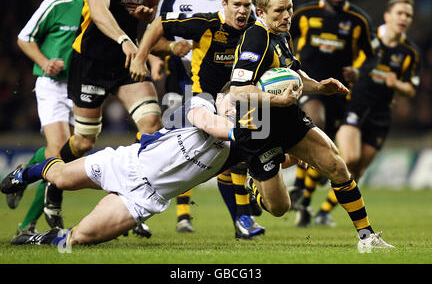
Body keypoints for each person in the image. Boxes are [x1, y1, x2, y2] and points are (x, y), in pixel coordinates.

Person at [1, 84, 284, 246]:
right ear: (222, 98)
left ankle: (40, 239)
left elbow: (275, 159)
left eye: (242, 108)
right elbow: (209, 125)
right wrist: (241, 133)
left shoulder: (243, 143)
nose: (235, 111)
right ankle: (24, 174)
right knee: (61, 177)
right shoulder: (203, 103)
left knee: (81, 237)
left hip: (146, 200)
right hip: (126, 164)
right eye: (233, 104)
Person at [228, 0, 393, 250]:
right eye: (279, 10)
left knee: (337, 165)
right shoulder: (255, 38)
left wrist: (318, 87)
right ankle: (254, 187)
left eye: (289, 8)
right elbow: (238, 91)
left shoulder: (282, 34)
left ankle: (367, 237)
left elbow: (292, 74)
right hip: (258, 127)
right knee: (280, 207)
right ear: (261, 13)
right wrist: (275, 100)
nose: (287, 15)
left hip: (287, 117)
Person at [131, 0, 265, 239]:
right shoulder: (203, 23)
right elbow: (159, 23)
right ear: (224, 4)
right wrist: (141, 56)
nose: (242, 10)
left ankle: (244, 215)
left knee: (238, 153)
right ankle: (140, 198)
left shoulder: (255, 29)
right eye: (236, 4)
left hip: (237, 99)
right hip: (201, 98)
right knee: (185, 159)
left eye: (246, 5)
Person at [53, 0, 163, 238]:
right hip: (92, 60)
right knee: (84, 141)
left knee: (151, 124)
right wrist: (125, 39)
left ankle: (127, 201)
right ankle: (53, 185)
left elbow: (154, 9)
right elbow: (99, 11)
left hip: (126, 61)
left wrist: (146, 16)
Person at [313, 0, 421, 223]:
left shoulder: (410, 52)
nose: (404, 18)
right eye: (400, 13)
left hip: (381, 115)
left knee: (359, 168)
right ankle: (321, 169)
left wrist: (397, 84)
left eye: (408, 15)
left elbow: (411, 89)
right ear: (387, 16)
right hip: (355, 105)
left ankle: (323, 211)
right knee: (350, 158)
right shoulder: (367, 40)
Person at [288, 0, 377, 227]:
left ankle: (303, 199)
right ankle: (297, 188)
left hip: (341, 93)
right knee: (317, 121)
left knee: (330, 151)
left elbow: (371, 59)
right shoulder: (305, 14)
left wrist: (358, 71)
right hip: (310, 86)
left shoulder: (358, 20)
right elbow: (282, 40)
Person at [7, 0, 88, 234]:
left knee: (78, 147)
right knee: (58, 155)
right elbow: (24, 38)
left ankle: (25, 172)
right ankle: (28, 224)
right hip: (52, 85)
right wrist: (44, 62)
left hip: (82, 88)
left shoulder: (105, 11)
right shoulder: (55, 4)